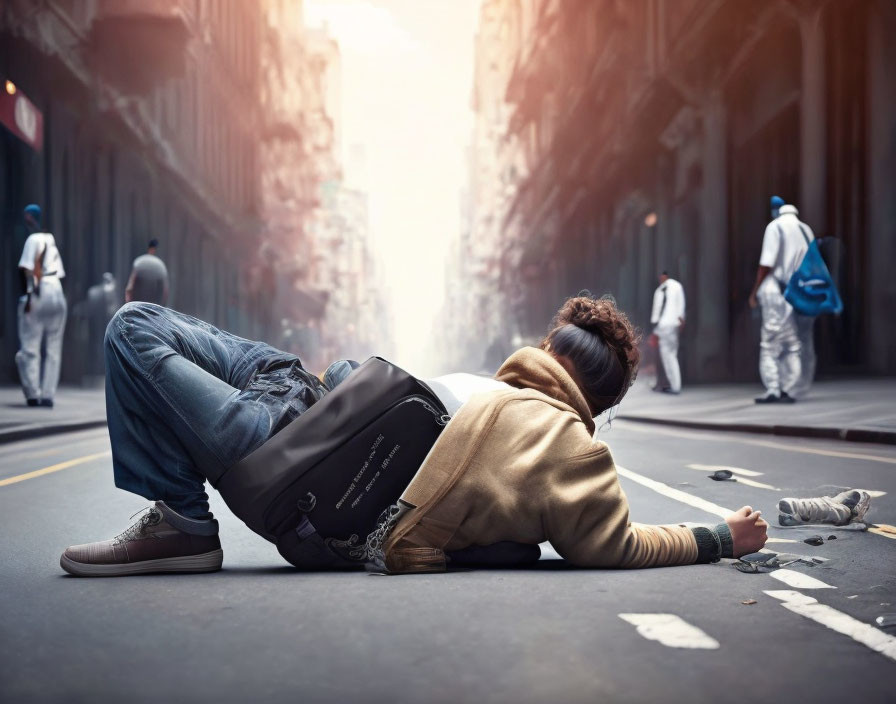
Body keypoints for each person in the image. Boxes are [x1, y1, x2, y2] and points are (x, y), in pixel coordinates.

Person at [59, 296, 768, 576]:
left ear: (548, 348)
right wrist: (722, 534)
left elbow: (617, 548)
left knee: (130, 333)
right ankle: (180, 518)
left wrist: (718, 537)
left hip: (291, 465)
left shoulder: (570, 452)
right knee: (143, 320)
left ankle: (183, 523)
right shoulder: (504, 393)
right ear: (603, 400)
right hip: (300, 397)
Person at [748, 196, 814, 404]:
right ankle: (790, 388)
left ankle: (774, 390)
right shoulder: (806, 229)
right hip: (799, 293)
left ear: (775, 210)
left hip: (776, 291)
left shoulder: (775, 227)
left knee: (770, 343)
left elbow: (766, 264)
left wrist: (754, 291)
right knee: (794, 343)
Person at [16, 204, 67, 408]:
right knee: (54, 347)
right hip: (57, 291)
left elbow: (27, 270)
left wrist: (28, 298)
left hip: (40, 290)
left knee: (30, 344)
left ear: (29, 217)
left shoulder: (33, 239)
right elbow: (60, 273)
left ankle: (32, 394)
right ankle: (48, 395)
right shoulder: (50, 240)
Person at [649, 271, 685, 394]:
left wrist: (680, 321)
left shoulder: (675, 287)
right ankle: (665, 383)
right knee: (664, 356)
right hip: (662, 326)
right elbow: (656, 310)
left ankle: (675, 386)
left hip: (670, 325)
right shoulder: (659, 291)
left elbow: (680, 305)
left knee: (669, 356)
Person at [125, 239, 169, 305]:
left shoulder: (139, 262)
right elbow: (165, 291)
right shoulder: (160, 264)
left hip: (137, 305)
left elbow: (130, 287)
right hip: (153, 307)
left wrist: (128, 304)